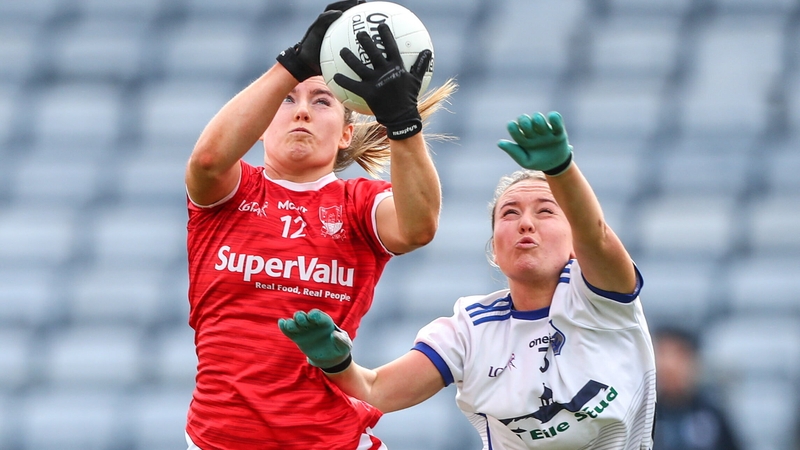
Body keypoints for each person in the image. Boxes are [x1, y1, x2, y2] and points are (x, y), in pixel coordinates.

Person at [280, 111, 657, 449]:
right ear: (495, 246)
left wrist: (561, 169)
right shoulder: (470, 329)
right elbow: (376, 390)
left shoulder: (604, 299)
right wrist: (336, 362)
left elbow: (598, 236)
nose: (526, 223)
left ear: (574, 242)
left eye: (545, 211)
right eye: (509, 214)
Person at [183, 0, 456, 447]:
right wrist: (293, 64)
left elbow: (417, 227)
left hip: (329, 440)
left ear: (346, 132)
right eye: (287, 100)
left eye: (321, 100)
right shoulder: (231, 194)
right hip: (218, 439)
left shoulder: (358, 204)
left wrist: (403, 124)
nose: (302, 110)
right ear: (260, 124)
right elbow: (209, 160)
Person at [652, 327, 742, 450]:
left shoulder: (712, 415)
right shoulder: (643, 414)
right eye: (662, 354)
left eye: (679, 354)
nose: (669, 365)